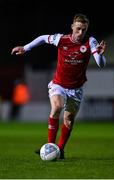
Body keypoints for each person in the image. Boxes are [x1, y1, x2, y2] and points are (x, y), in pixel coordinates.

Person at [11, 13, 107, 159]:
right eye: (78, 29)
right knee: (56, 107)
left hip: (76, 89)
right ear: (72, 27)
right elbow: (43, 38)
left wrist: (101, 55)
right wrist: (26, 48)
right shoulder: (61, 39)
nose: (81, 33)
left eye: (84, 30)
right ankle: (50, 146)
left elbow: (101, 63)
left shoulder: (90, 41)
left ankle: (60, 150)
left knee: (68, 119)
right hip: (59, 84)